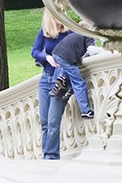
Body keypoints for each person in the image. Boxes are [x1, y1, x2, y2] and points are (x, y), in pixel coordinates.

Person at [32, 12, 94, 159]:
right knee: (45, 123)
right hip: (45, 78)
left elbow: (84, 49)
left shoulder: (71, 32)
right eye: (54, 16)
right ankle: (47, 155)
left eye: (61, 15)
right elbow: (34, 51)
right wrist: (47, 57)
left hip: (61, 82)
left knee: (53, 122)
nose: (58, 19)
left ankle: (51, 157)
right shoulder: (45, 32)